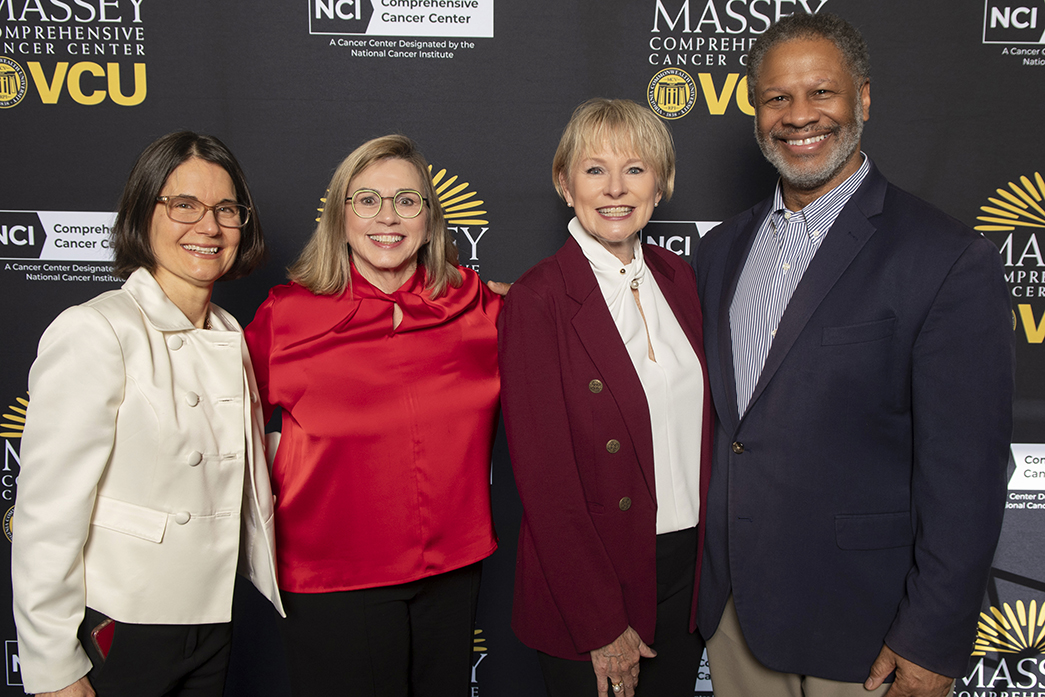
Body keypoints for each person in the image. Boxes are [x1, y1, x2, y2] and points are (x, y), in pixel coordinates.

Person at [693, 12, 1014, 697]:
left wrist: (930, 636)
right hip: (735, 618)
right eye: (776, 97)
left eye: (821, 93)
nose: (798, 115)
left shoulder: (945, 258)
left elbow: (968, 472)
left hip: (867, 629)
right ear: (755, 113)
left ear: (861, 100)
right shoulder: (718, 251)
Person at [12, 131, 283, 697]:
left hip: (212, 621)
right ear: (143, 212)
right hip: (121, 624)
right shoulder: (96, 330)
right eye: (184, 205)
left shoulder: (231, 334)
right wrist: (54, 666)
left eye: (226, 209)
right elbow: (47, 513)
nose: (208, 227)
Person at [244, 134, 501, 696]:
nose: (388, 216)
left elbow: (559, 324)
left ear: (431, 220)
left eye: (408, 200)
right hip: (334, 576)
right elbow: (219, 426)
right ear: (340, 216)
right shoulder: (287, 315)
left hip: (451, 572)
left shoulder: (475, 306)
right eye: (367, 200)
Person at [499, 98, 713, 697]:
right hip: (593, 583)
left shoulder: (680, 279)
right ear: (564, 184)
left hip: (685, 576)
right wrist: (600, 622)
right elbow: (546, 482)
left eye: (636, 169)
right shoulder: (539, 300)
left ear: (661, 183)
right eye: (594, 170)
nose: (615, 188)